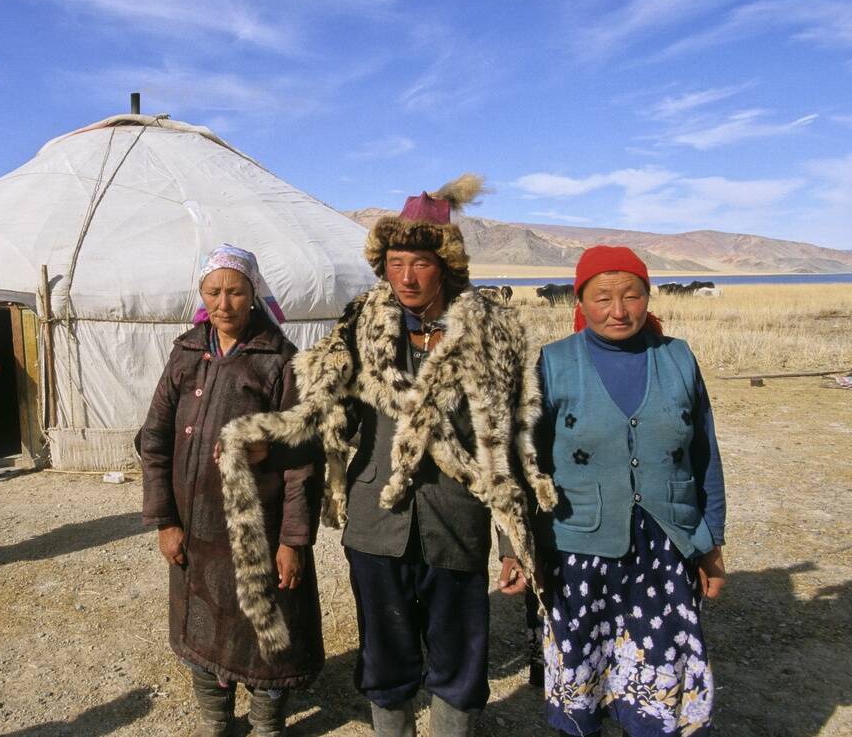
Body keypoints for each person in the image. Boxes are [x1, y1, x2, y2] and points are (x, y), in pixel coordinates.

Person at [219, 177, 557, 737]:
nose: (405, 276)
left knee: (459, 657)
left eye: (419, 262)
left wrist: (511, 542)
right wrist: (268, 441)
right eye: (395, 261)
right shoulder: (359, 326)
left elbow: (508, 442)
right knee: (385, 655)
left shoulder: (494, 332)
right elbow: (331, 417)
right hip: (378, 521)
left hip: (459, 520)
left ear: (444, 264)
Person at [536, 245, 727, 737]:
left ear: (648, 297)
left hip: (666, 546)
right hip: (579, 548)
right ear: (580, 301)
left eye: (632, 296)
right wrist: (517, 549)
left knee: (660, 681)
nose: (618, 311)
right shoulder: (554, 363)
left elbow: (703, 455)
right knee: (584, 679)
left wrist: (711, 544)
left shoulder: (678, 356)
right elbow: (526, 467)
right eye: (602, 297)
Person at [139, 244, 323, 737]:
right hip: (194, 528)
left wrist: (293, 541)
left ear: (253, 295)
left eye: (236, 292)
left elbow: (302, 460)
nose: (225, 303)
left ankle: (266, 726)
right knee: (201, 625)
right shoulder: (185, 354)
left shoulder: (280, 362)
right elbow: (154, 439)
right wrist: (165, 520)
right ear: (201, 295)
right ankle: (216, 723)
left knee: (267, 634)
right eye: (214, 291)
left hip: (256, 533)